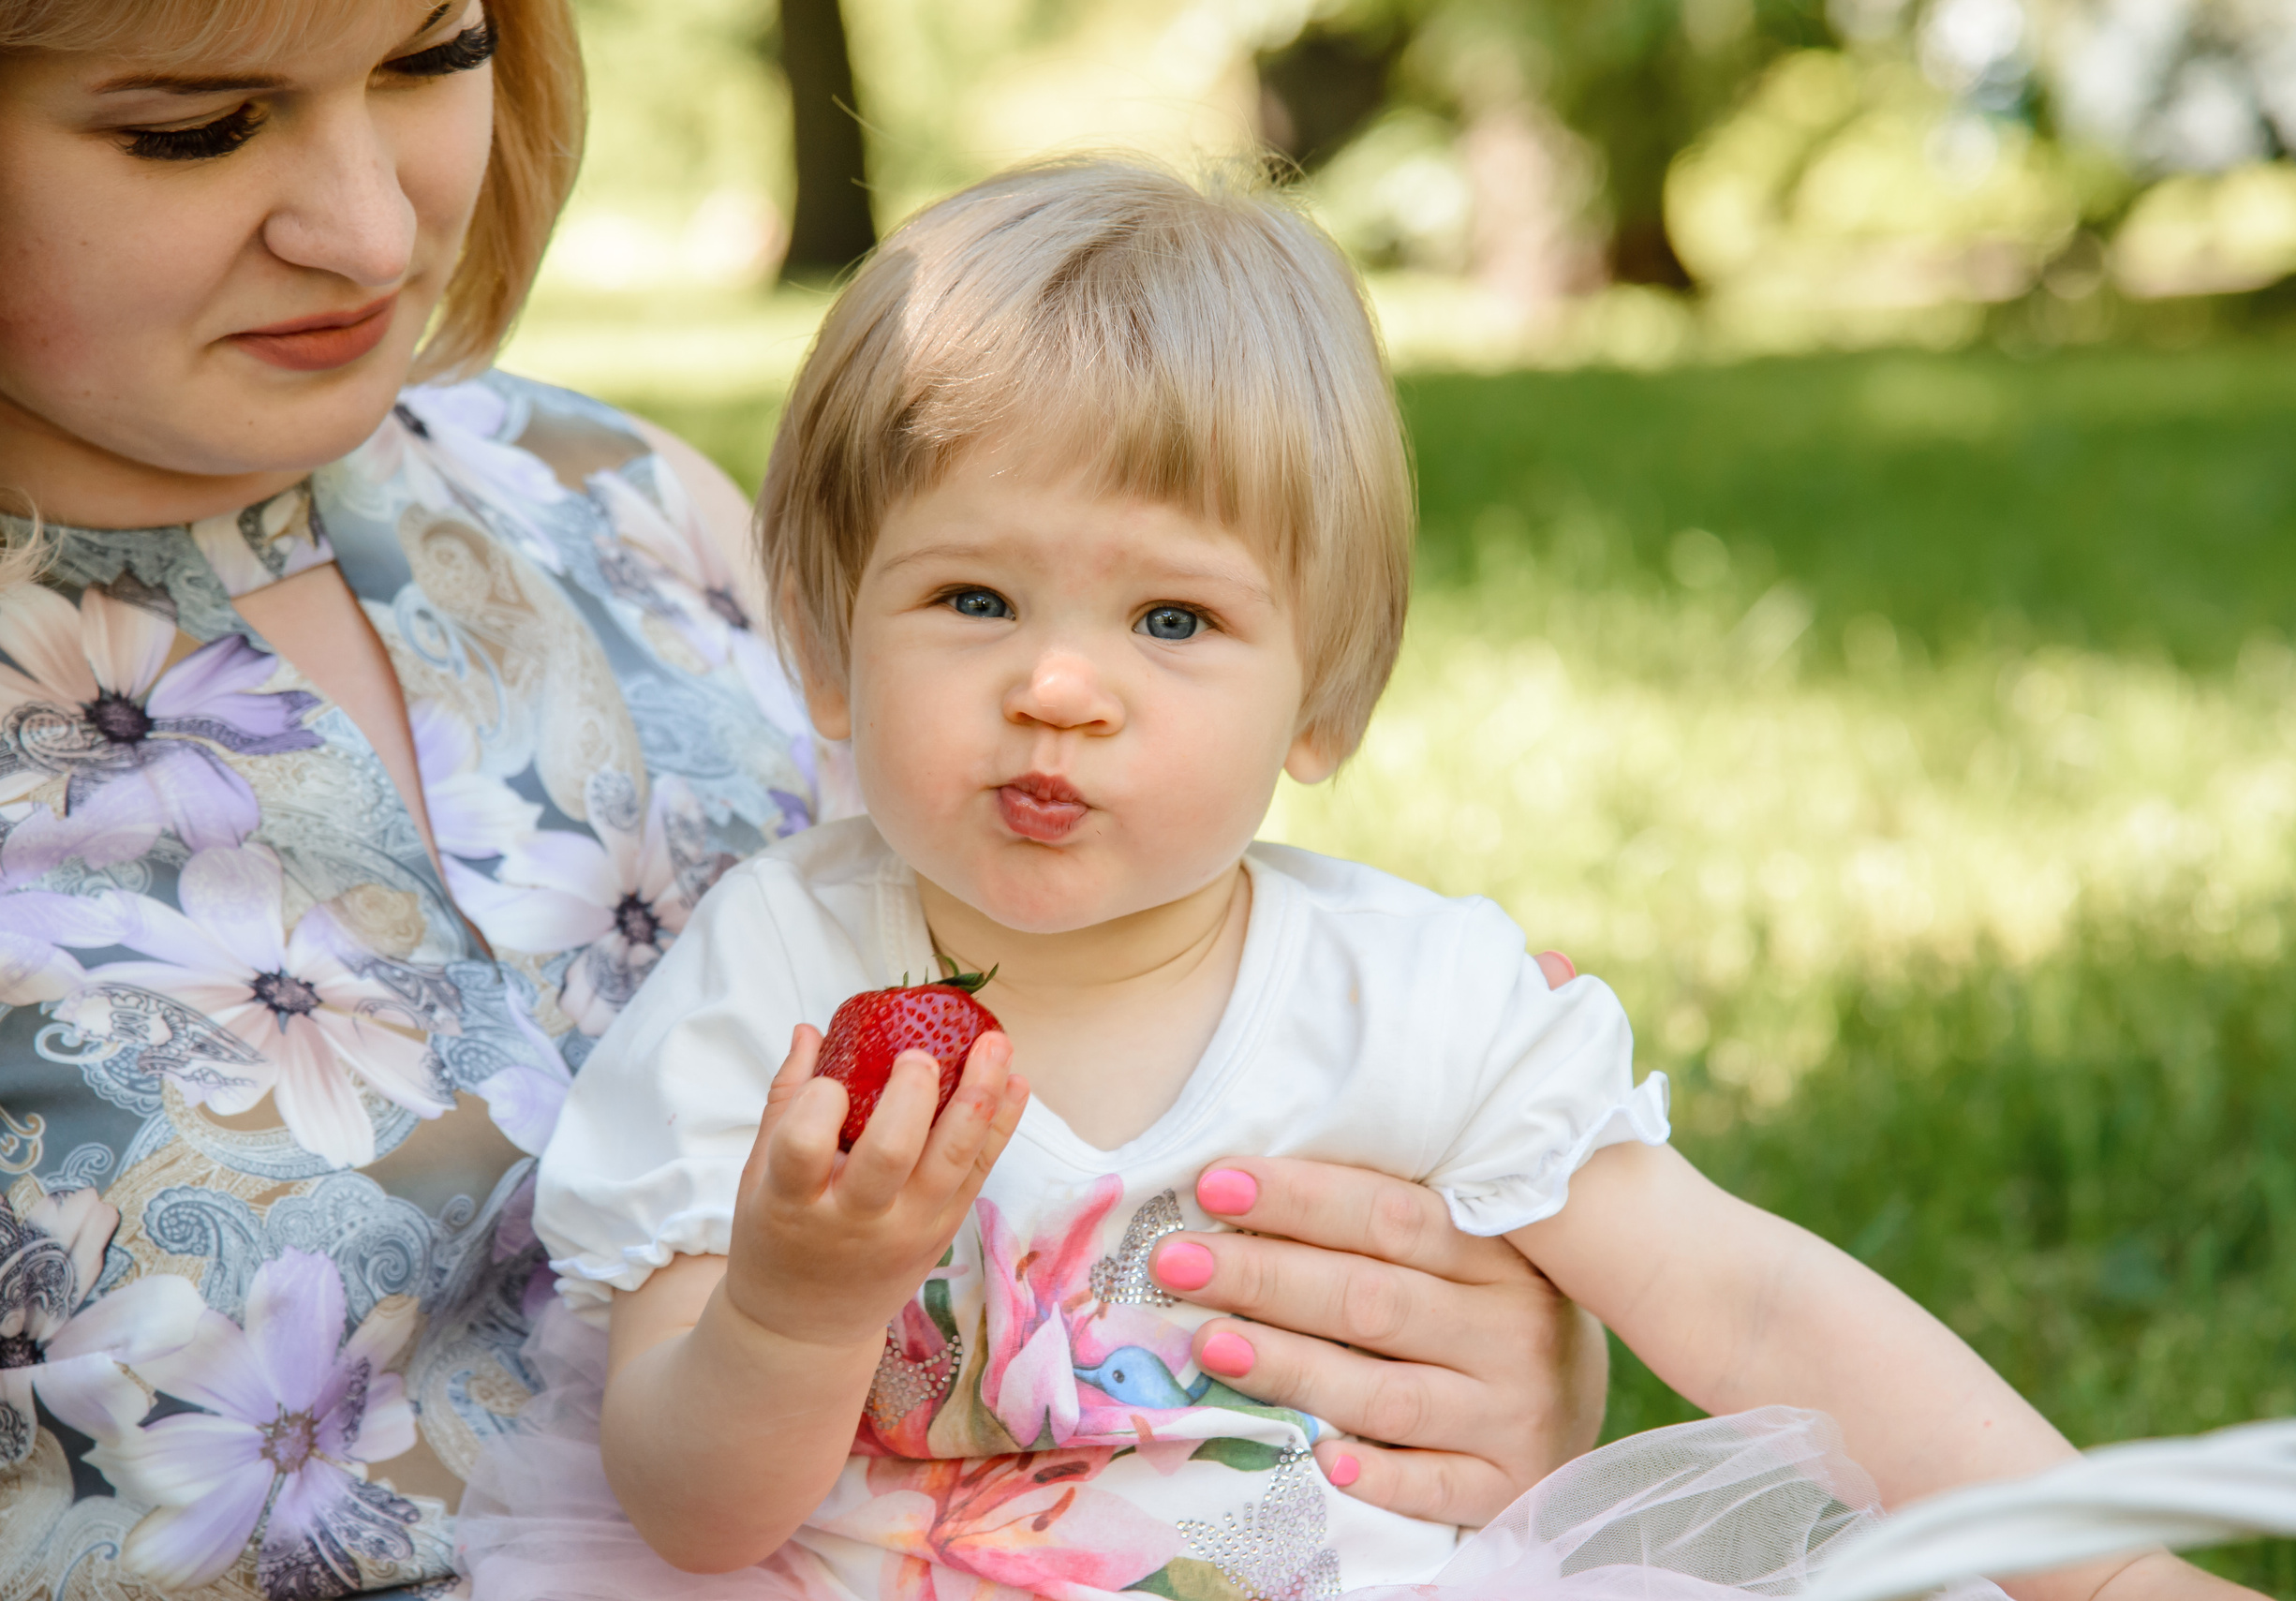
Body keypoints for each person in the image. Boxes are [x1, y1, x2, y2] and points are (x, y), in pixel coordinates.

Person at [465, 161, 2260, 1601]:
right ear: (829, 651)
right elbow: (691, 1515)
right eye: (974, 598)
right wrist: (793, 1301)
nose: (1058, 684)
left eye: (1174, 617)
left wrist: (2102, 1565)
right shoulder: (774, 973)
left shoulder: (1413, 996)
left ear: (1321, 696)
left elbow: (1756, 1302)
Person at [0, 6, 1609, 1595]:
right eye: (188, 129)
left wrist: (1467, 1350)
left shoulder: (624, 515)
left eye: (432, 55)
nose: (365, 227)